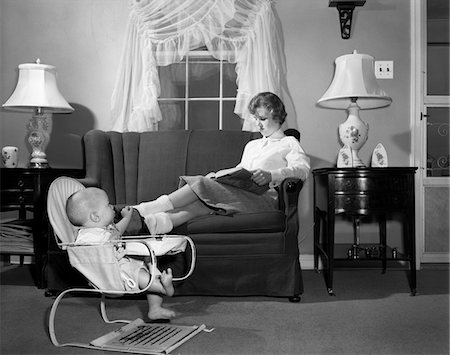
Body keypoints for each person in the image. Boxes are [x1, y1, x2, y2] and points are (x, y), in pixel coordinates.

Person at [132, 91, 311, 234]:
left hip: (262, 199)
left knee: (201, 183)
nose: (258, 124)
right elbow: (242, 170)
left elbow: (303, 170)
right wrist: (220, 176)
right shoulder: (252, 145)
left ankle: (144, 209)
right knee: (200, 204)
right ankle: (152, 225)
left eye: (262, 119)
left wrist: (272, 174)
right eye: (255, 118)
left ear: (277, 116)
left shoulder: (288, 143)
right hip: (242, 193)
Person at [66, 187, 175, 322]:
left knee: (149, 264)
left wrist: (127, 217)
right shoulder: (87, 237)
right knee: (148, 279)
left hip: (123, 264)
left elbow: (117, 232)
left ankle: (155, 308)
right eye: (108, 205)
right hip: (118, 274)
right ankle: (165, 289)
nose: (112, 206)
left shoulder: (101, 230)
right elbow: (94, 250)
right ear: (95, 216)